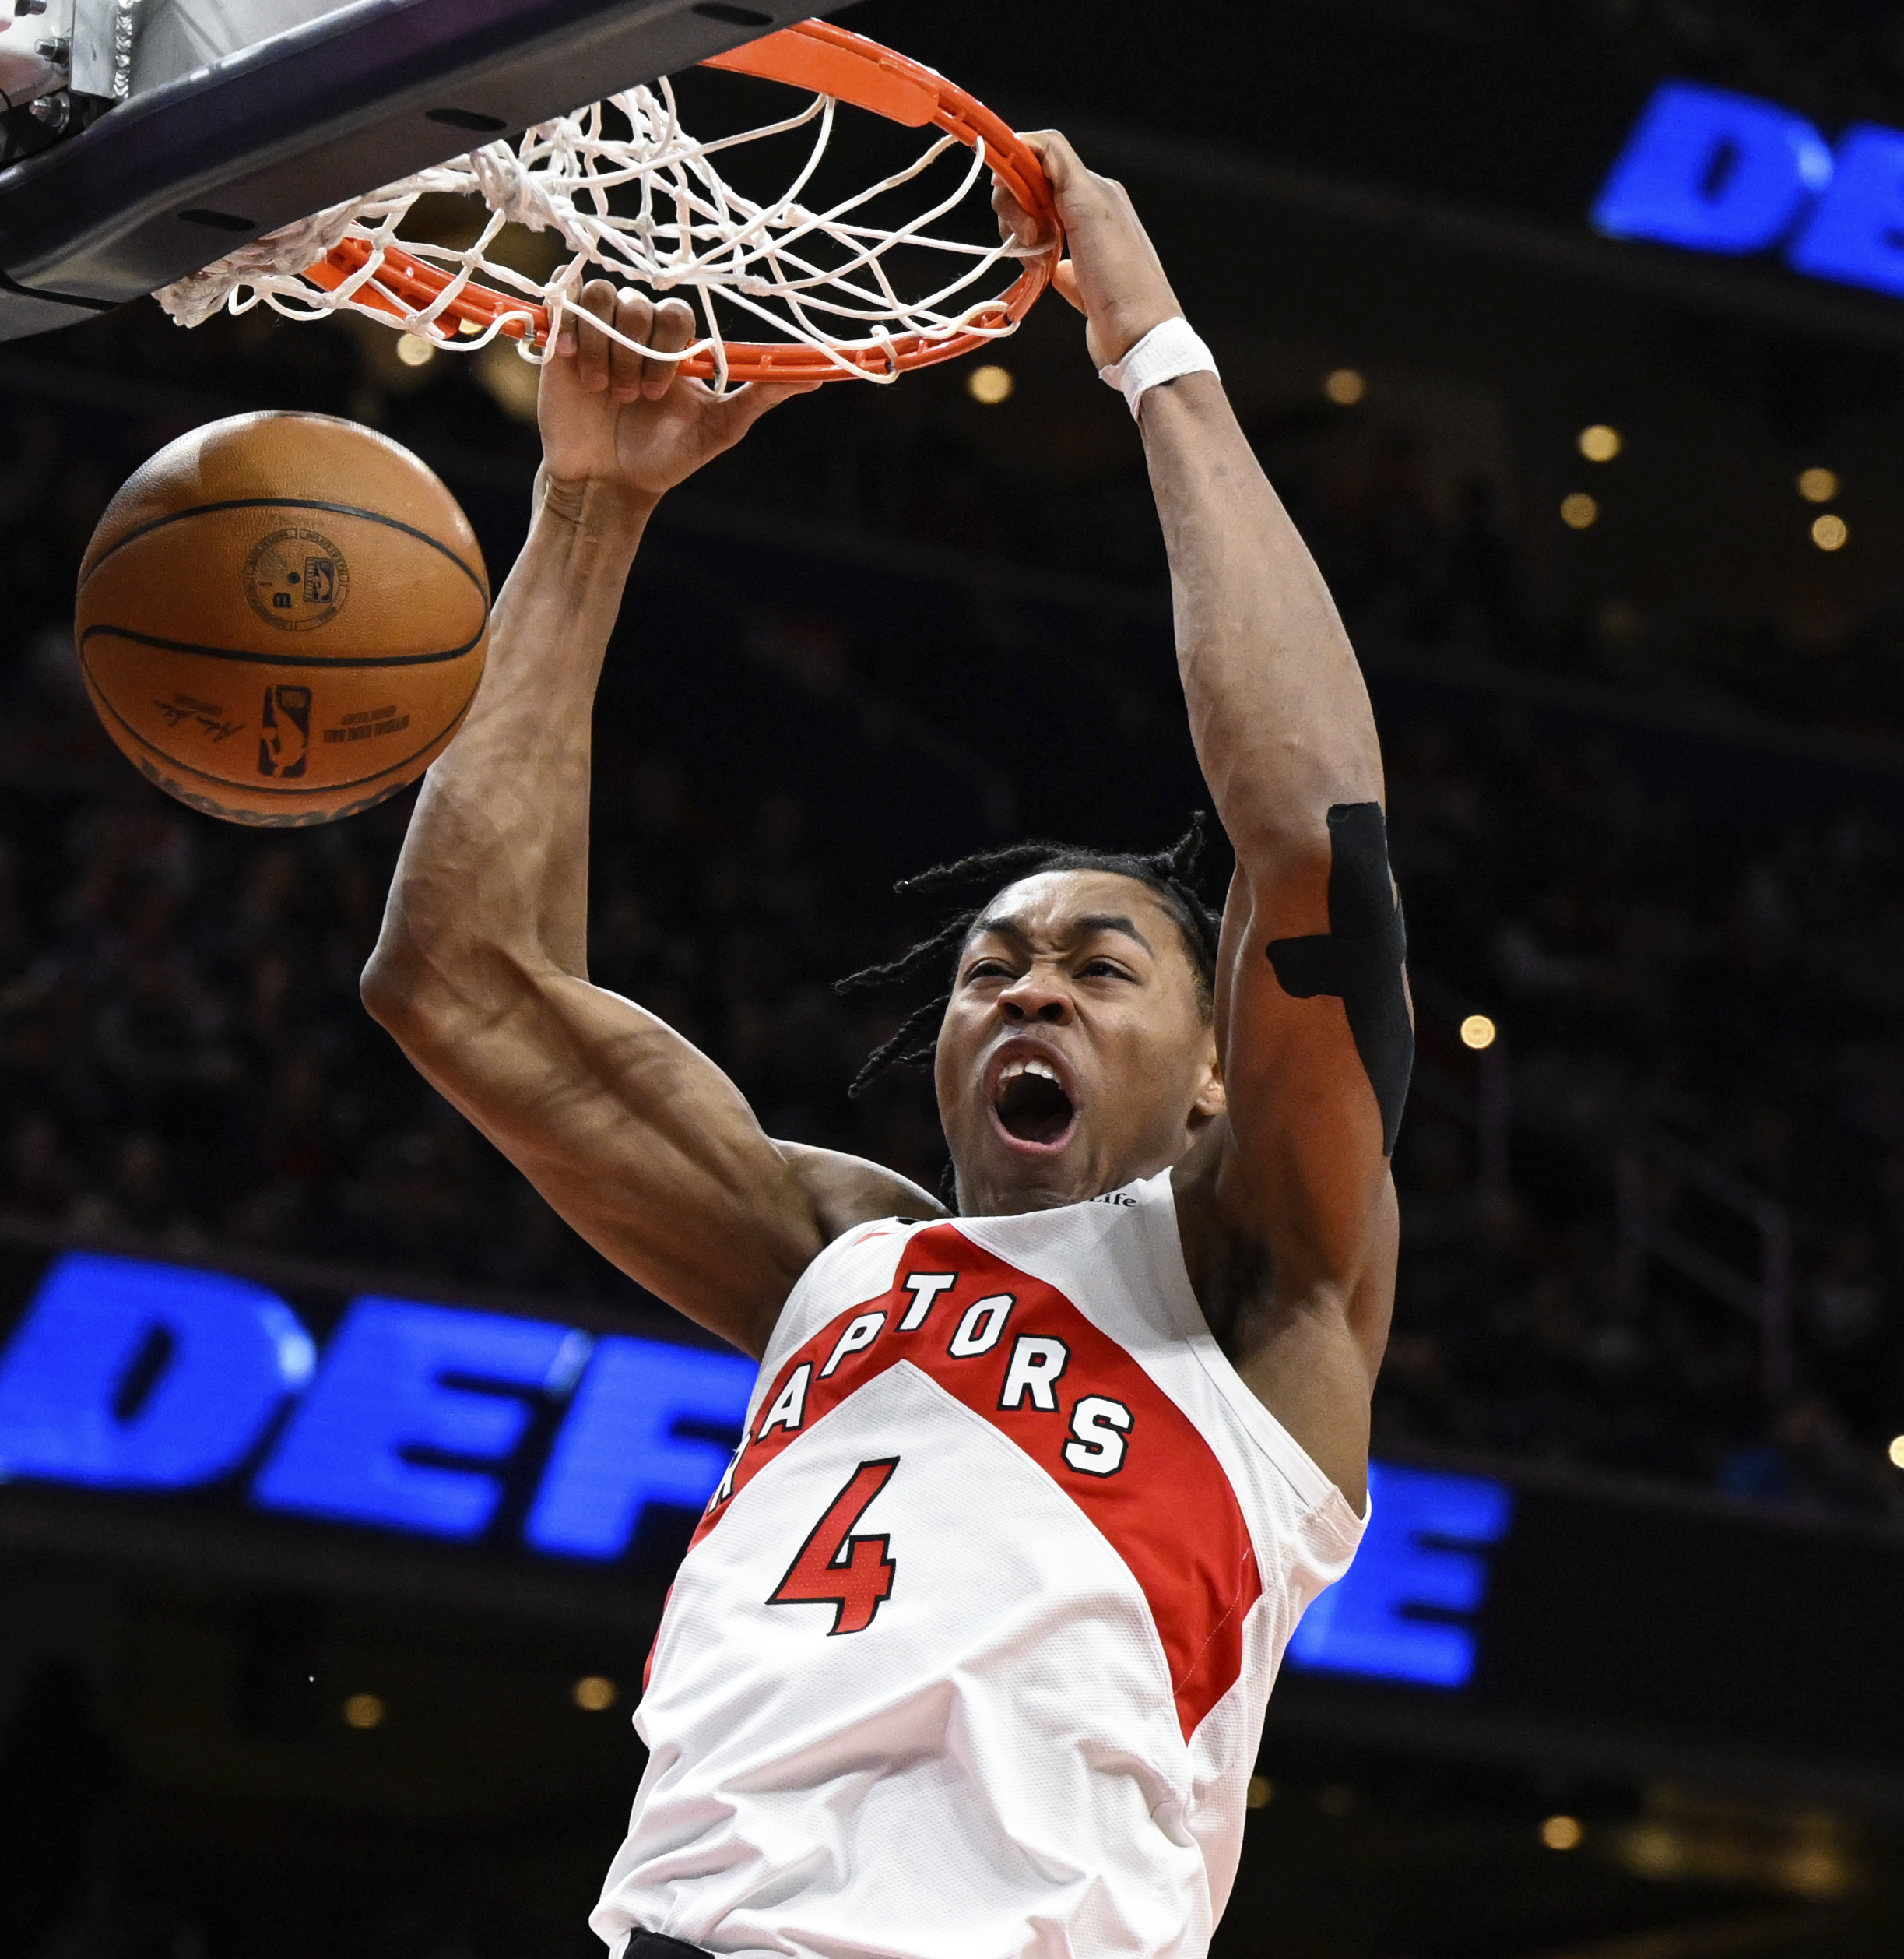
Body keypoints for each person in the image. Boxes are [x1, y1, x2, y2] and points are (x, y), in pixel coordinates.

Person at [363, 133, 1403, 1959]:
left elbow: (1315, 848)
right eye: (993, 966)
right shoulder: (838, 1257)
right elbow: (455, 980)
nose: (1029, 990)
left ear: (1220, 1065)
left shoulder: (1263, 1292)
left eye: (1101, 966)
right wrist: (591, 509)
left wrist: (1151, 347)